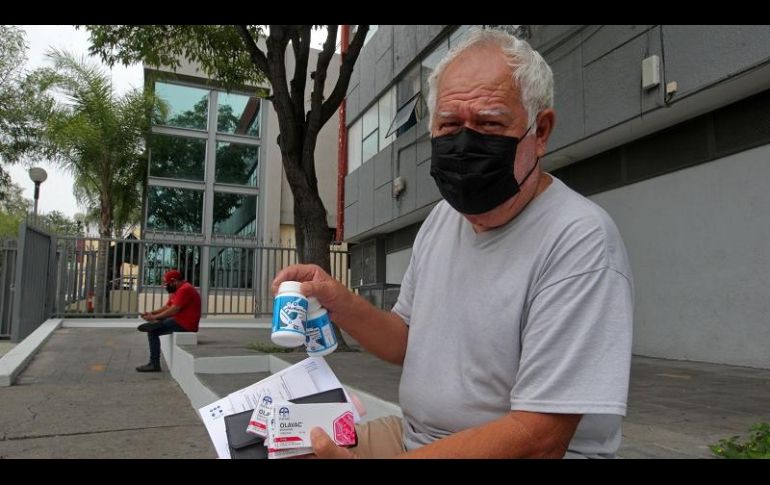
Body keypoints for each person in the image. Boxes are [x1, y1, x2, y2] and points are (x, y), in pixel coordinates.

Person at [274, 28, 634, 458]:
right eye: (449, 124)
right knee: (275, 447)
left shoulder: (580, 240)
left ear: (540, 131)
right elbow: (405, 340)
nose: (464, 144)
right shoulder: (445, 219)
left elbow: (538, 438)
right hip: (418, 439)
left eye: (488, 123)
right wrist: (337, 300)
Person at [135, 269, 201, 372]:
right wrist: (152, 313)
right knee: (158, 323)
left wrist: (155, 317)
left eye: (167, 283)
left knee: (152, 332)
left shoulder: (185, 289)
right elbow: (168, 307)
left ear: (174, 281)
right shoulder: (177, 289)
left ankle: (154, 364)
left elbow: (174, 309)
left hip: (185, 324)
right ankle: (157, 323)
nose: (166, 286)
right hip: (178, 320)